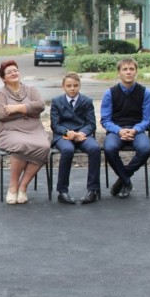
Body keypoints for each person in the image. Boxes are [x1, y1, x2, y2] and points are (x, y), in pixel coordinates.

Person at [0, 60, 50, 204]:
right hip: (10, 131)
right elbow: (1, 114)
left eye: (15, 70)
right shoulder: (0, 93)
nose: (13, 73)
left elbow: (40, 105)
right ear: (3, 78)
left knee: (44, 146)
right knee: (20, 144)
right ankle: (13, 187)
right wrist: (29, 111)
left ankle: (23, 186)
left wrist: (16, 108)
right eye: (9, 72)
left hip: (34, 130)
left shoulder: (31, 89)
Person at [100, 57, 150, 199]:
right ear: (119, 73)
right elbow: (105, 120)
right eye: (125, 69)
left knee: (145, 149)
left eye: (131, 69)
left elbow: (148, 119)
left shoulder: (145, 92)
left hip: (137, 130)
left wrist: (135, 130)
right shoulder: (110, 93)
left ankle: (122, 179)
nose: (128, 72)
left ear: (136, 72)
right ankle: (127, 182)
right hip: (116, 130)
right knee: (109, 148)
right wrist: (119, 130)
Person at [50, 73, 101, 205]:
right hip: (63, 136)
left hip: (82, 135)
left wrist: (82, 133)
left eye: (75, 85)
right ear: (63, 87)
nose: (72, 88)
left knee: (95, 148)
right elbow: (55, 124)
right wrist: (67, 132)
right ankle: (62, 191)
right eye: (69, 86)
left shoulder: (86, 101)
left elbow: (91, 124)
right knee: (67, 150)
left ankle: (93, 190)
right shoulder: (56, 101)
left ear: (79, 86)